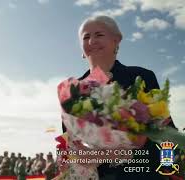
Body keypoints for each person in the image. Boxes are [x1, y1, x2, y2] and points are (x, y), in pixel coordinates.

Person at [61, 15, 177, 180]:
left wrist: (169, 170)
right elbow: (69, 146)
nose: (92, 41)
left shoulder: (141, 76)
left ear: (116, 40)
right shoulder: (71, 92)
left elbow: (167, 132)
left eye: (99, 35)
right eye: (86, 37)